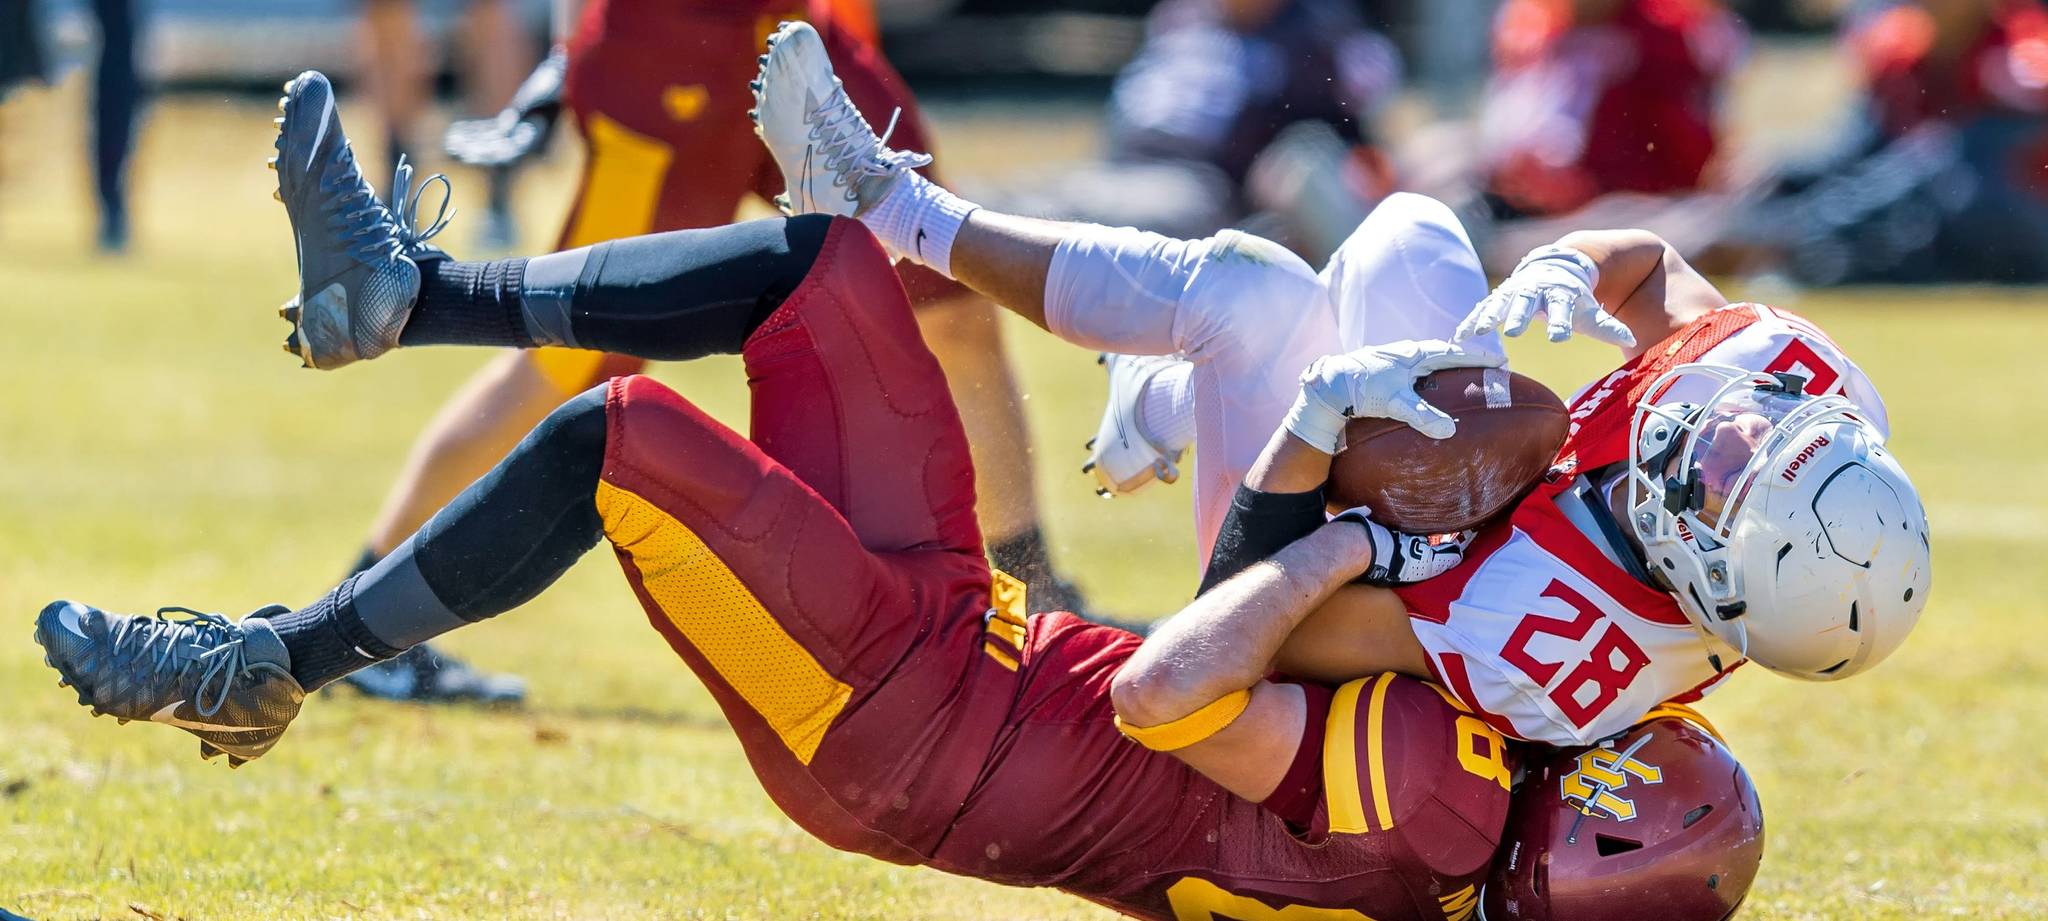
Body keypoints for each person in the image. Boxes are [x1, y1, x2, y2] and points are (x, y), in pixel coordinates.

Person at [39, 69, 1519, 920]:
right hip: (966, 633)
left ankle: (270, 664)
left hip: (904, 724)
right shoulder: (1504, 732)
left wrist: (1302, 459)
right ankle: (406, 295)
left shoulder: (1446, 805)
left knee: (622, 437)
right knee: (819, 265)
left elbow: (1173, 687)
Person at [746, 23, 1932, 746]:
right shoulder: (1795, 397)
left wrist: (1335, 471)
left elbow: (1281, 634)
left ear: (1699, 567)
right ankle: (1162, 399)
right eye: (1754, 436)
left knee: (1248, 294)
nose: (1722, 429)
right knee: (1409, 234)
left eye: (1721, 476)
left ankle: (892, 210)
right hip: (1440, 495)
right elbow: (1655, 274)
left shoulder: (1555, 647)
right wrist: (1570, 265)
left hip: (1297, 568)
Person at [337, 0, 1082, 703]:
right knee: (570, 358)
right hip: (667, 57)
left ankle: (1033, 597)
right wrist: (567, 48)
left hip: (798, 39)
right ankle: (365, 622)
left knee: (953, 298)